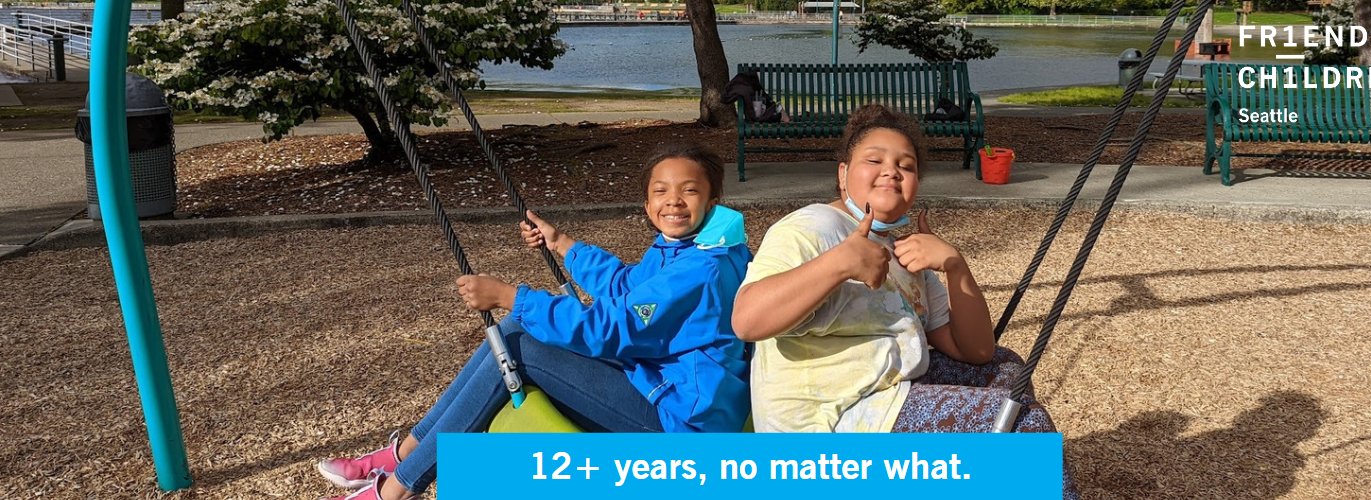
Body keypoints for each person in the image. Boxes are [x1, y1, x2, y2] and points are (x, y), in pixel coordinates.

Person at [317, 143, 752, 499]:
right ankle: (405, 455)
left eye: (689, 191)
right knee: (514, 331)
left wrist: (510, 296)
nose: (673, 201)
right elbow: (626, 286)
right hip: (663, 386)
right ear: (647, 202)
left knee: (517, 346)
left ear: (712, 200)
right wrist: (561, 242)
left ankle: (396, 488)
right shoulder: (691, 246)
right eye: (661, 191)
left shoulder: (703, 268)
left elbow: (610, 328)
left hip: (680, 424)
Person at [732, 103, 1030, 433]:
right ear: (842, 174)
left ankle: (981, 465)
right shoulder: (812, 226)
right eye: (874, 160)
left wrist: (955, 266)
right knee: (1021, 420)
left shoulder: (905, 254)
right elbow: (747, 320)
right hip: (825, 421)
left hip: (885, 394)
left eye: (906, 165)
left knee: (1009, 370)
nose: (892, 171)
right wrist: (840, 263)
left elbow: (977, 350)